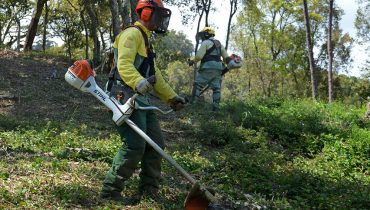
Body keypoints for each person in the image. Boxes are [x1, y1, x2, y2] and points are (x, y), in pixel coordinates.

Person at [100, 0, 186, 203]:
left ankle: (148, 189)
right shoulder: (132, 34)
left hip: (142, 99)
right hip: (124, 96)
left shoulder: (147, 41)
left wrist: (171, 98)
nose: (161, 21)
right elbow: (124, 66)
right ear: (146, 13)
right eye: (158, 15)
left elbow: (155, 77)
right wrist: (138, 82)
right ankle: (110, 192)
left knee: (156, 144)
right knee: (134, 145)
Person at [189, 27, 229, 111]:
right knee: (216, 89)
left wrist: (193, 61)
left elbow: (199, 56)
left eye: (203, 34)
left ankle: (192, 105)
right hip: (218, 68)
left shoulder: (205, 43)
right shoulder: (219, 44)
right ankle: (216, 109)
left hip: (207, 67)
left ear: (206, 34)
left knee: (198, 84)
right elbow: (226, 58)